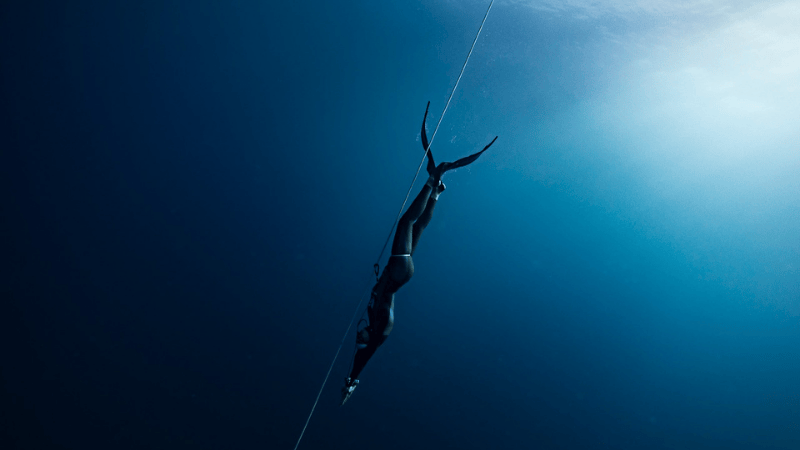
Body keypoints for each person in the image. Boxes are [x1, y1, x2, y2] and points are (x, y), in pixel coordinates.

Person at [341, 102, 497, 405]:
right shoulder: (380, 330)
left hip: (402, 271)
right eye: (361, 338)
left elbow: (362, 350)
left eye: (359, 336)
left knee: (417, 228)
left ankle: (436, 192)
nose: (360, 336)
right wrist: (352, 381)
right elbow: (364, 355)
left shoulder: (374, 322)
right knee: (406, 223)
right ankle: (432, 180)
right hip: (398, 272)